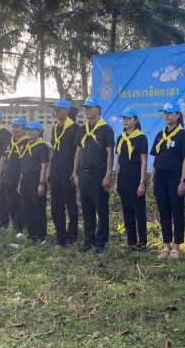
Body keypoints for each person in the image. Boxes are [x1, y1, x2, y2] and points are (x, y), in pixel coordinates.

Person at [149, 101, 185, 260]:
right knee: (164, 212)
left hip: (175, 178)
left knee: (177, 212)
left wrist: (183, 180)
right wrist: (152, 179)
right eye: (165, 113)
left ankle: (176, 247)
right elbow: (156, 160)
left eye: (170, 113)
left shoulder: (183, 135)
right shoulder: (160, 135)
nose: (166, 115)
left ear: (178, 115)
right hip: (160, 178)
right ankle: (166, 246)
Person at [71, 96, 114, 256]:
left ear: (98, 109)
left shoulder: (106, 129)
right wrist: (75, 173)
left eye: (90, 107)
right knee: (87, 209)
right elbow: (78, 152)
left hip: (99, 174)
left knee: (101, 209)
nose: (86, 110)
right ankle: (89, 240)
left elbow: (110, 154)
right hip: (84, 175)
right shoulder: (82, 129)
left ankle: (101, 242)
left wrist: (108, 174)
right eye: (85, 107)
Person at [113, 107, 149, 253]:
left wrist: (142, 182)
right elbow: (118, 161)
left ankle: (143, 243)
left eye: (129, 118)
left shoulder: (141, 138)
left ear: (136, 120)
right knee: (127, 211)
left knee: (139, 211)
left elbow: (144, 161)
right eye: (124, 118)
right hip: (123, 177)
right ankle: (131, 242)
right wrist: (116, 181)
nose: (125, 121)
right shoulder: (120, 138)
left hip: (136, 176)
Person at [48, 98, 80, 247]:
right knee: (56, 205)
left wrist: (75, 172)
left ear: (67, 111)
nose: (56, 112)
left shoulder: (75, 128)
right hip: (56, 169)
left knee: (70, 203)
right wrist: (49, 169)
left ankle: (71, 235)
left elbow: (78, 152)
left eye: (59, 110)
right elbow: (54, 149)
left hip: (68, 168)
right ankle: (60, 236)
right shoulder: (55, 129)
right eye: (55, 110)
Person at [18, 121, 49, 244]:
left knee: (38, 208)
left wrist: (42, 183)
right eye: (27, 130)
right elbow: (23, 165)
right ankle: (32, 234)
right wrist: (20, 182)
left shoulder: (42, 146)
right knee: (27, 208)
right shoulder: (26, 145)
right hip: (25, 178)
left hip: (36, 179)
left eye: (31, 130)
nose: (28, 132)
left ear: (38, 131)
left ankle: (41, 236)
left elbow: (43, 166)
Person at [0, 116, 27, 237]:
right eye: (12, 126)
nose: (13, 128)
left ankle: (24, 228)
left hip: (20, 180)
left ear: (24, 128)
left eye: (17, 126)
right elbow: (2, 160)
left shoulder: (27, 142)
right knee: (11, 205)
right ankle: (16, 227)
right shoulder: (8, 142)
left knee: (22, 205)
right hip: (7, 179)